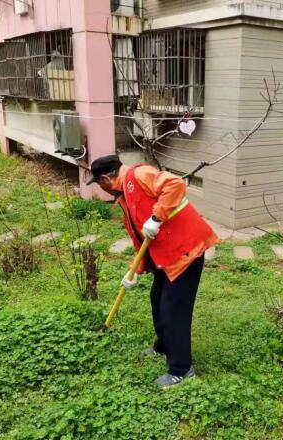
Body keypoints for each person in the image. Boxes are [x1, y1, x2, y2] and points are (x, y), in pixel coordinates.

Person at [86, 155, 218, 388]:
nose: (101, 189)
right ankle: (164, 347)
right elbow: (140, 237)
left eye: (98, 184)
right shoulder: (124, 197)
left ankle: (181, 370)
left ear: (105, 179)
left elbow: (175, 184)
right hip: (166, 257)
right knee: (157, 300)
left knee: (173, 310)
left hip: (185, 252)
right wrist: (135, 271)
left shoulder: (139, 175)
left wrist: (157, 217)